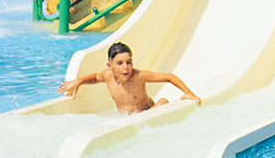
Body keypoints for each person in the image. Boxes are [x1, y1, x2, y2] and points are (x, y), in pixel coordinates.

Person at [57, 41, 200, 114]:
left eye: (129, 62)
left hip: (148, 113)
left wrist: (188, 93)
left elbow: (169, 77)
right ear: (109, 66)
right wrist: (79, 81)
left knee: (162, 102)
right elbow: (94, 77)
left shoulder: (139, 76)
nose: (126, 67)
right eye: (120, 63)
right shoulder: (107, 76)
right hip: (127, 118)